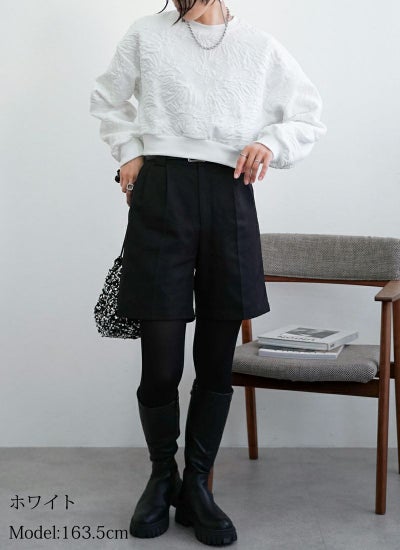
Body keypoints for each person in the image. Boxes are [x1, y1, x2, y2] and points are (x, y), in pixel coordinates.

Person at [89, 0, 327, 546]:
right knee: (161, 364)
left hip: (229, 194)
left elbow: (307, 115)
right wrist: (127, 150)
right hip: (161, 192)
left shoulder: (258, 46)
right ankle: (161, 477)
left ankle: (197, 484)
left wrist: (269, 142)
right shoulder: (146, 34)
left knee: (216, 362)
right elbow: (108, 97)